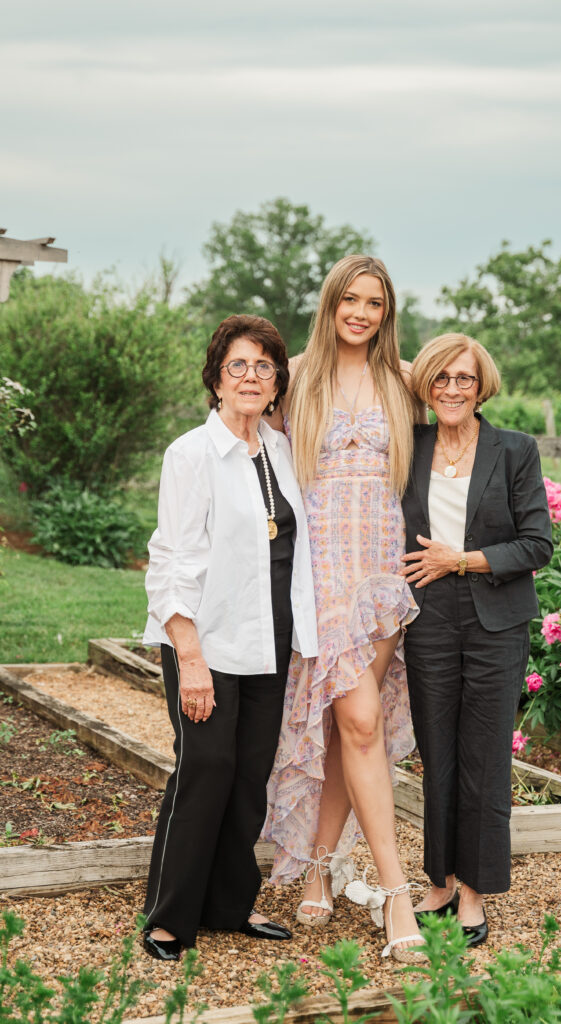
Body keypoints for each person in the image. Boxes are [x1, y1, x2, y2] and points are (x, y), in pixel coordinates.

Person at [264, 255, 426, 963]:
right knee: (356, 719)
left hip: (382, 574)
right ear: (330, 304)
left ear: (386, 313)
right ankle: (396, 897)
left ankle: (323, 866)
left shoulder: (404, 380)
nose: (361, 312)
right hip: (320, 572)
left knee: (345, 726)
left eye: (375, 303)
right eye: (350, 300)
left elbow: (454, 435)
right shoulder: (295, 376)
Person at [141, 315, 318, 961]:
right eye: (237, 365)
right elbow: (171, 560)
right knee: (206, 769)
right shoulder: (191, 453)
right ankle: (168, 916)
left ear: (277, 382)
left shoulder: (277, 447)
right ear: (215, 378)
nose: (250, 377)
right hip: (206, 641)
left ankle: (227, 907)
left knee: (249, 779)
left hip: (270, 640)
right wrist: (189, 657)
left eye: (264, 366)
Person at [399, 332, 553, 947]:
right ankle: (438, 880)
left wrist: (462, 560)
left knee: (484, 758)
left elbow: (537, 543)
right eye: (441, 378)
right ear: (426, 386)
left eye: (464, 378)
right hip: (428, 617)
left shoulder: (515, 450)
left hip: (495, 621)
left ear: (481, 383)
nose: (453, 389)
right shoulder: (408, 447)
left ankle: (472, 892)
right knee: (437, 752)